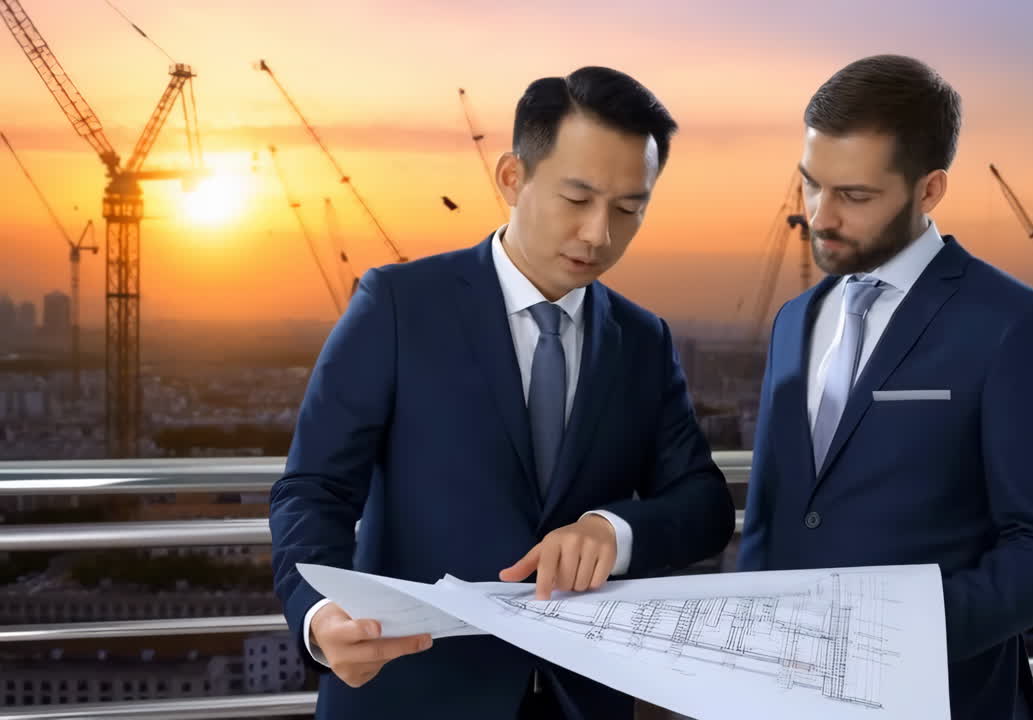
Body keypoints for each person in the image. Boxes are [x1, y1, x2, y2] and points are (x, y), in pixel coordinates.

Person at [270, 65, 736, 720]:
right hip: (415, 693)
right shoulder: (398, 305)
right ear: (512, 178)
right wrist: (318, 616)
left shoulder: (642, 339)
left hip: (581, 698)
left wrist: (614, 531)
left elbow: (705, 504)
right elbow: (313, 488)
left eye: (630, 209)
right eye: (578, 200)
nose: (600, 234)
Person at [737, 55, 1033, 720]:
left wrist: (882, 644)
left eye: (855, 196)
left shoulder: (1020, 327)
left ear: (929, 191)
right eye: (812, 186)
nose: (821, 216)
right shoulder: (794, 320)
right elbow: (771, 519)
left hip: (945, 700)